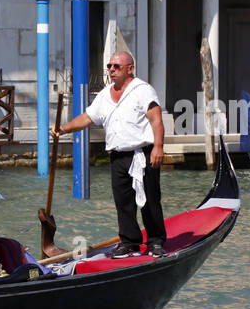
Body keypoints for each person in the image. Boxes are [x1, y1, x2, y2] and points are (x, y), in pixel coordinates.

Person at [53, 51, 167, 258]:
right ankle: (130, 242)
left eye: (116, 66)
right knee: (123, 202)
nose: (111, 70)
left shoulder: (143, 90)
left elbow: (156, 119)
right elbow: (88, 117)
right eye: (109, 66)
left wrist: (158, 146)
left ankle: (156, 242)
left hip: (142, 153)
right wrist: (65, 128)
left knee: (150, 199)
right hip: (117, 156)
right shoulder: (105, 95)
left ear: (130, 69)